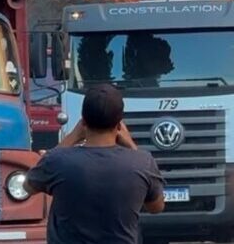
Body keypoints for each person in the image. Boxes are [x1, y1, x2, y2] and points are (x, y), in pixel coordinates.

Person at [25, 84, 165, 244]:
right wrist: (131, 144)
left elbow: (28, 186)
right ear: (119, 125)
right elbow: (157, 207)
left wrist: (72, 137)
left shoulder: (57, 161)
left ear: (83, 121)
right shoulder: (142, 162)